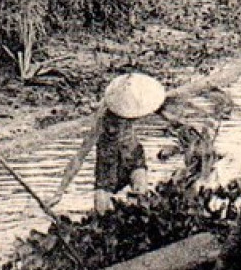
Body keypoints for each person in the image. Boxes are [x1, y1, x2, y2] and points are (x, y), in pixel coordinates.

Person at [52, 72, 167, 212]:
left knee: (141, 197)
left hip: (132, 156)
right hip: (108, 162)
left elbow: (162, 107)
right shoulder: (102, 120)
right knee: (102, 211)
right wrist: (59, 192)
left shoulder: (137, 105)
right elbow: (79, 156)